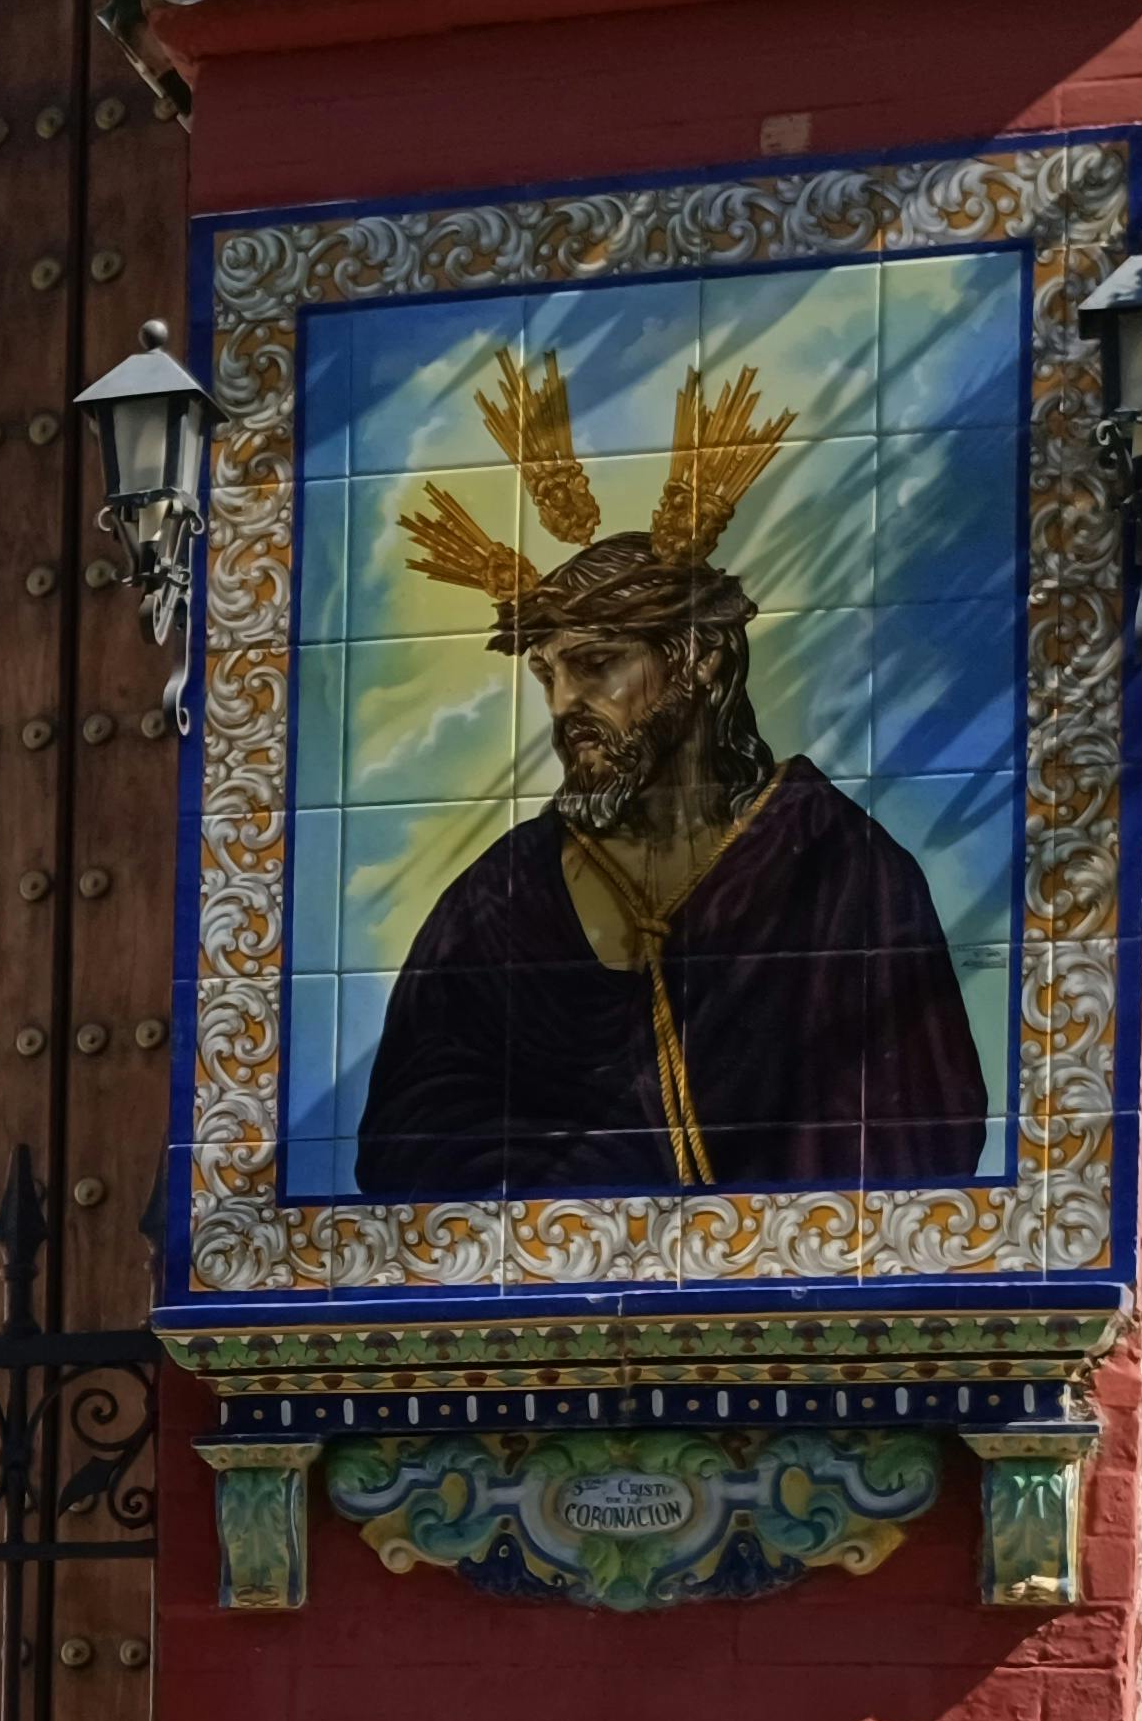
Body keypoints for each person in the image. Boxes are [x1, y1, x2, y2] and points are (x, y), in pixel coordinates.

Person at [346, 344, 992, 1198]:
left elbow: (920, 1132)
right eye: (549, 674)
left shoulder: (840, 873)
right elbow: (406, 1139)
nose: (564, 702)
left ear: (702, 662)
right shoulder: (502, 901)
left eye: (597, 665)